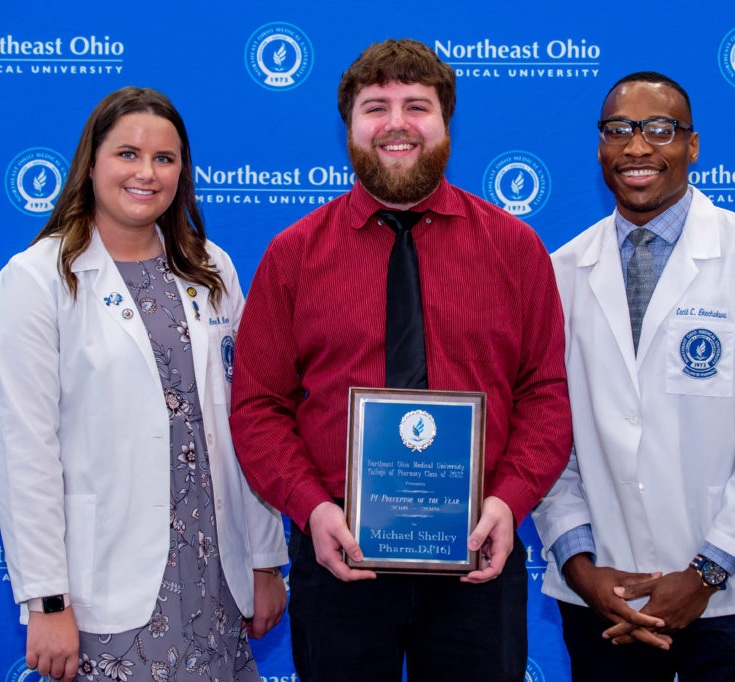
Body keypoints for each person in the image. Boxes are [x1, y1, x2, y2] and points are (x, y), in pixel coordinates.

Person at [229, 39, 571, 682]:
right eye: (375, 107)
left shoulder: (517, 249)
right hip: (338, 558)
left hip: (478, 555)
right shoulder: (293, 255)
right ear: (349, 127)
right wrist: (312, 508)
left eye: (417, 106)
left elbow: (547, 396)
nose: (396, 124)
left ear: (445, 124)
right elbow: (257, 407)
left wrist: (510, 501)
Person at [0, 86, 287, 682]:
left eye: (165, 159)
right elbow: (25, 452)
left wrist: (267, 559)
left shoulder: (211, 267)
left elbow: (247, 421)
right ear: (91, 162)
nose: (146, 173)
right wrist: (47, 601)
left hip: (216, 575)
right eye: (127, 154)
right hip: (109, 589)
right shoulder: (36, 280)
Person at [531, 71, 735, 681]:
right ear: (600, 148)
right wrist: (579, 564)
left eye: (659, 129)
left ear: (692, 145)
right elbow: (543, 431)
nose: (637, 147)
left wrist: (706, 573)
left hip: (729, 594)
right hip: (606, 595)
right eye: (619, 131)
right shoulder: (560, 272)